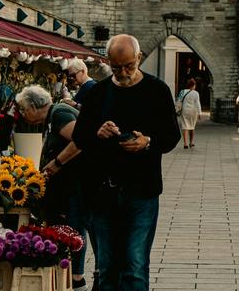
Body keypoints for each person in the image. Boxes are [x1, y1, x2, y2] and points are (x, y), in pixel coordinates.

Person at [72, 34, 180, 291]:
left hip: (142, 190)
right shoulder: (98, 93)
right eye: (116, 67)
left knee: (135, 264)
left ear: (139, 58)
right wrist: (98, 132)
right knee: (107, 266)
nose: (122, 72)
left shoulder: (157, 90)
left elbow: (171, 136)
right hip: (103, 191)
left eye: (128, 66)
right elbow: (79, 137)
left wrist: (148, 141)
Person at [18, 84, 90, 289]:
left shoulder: (59, 113)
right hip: (68, 185)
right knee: (69, 227)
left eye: (24, 109)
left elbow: (80, 140)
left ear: (34, 106)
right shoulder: (53, 116)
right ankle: (69, 277)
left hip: (75, 184)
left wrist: (57, 163)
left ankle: (77, 278)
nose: (23, 114)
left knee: (73, 228)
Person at [176, 78, 201, 149]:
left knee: (185, 126)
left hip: (185, 111)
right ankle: (191, 142)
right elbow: (197, 103)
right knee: (192, 127)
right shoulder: (196, 93)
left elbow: (178, 101)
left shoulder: (182, 92)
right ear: (193, 85)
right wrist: (199, 113)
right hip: (193, 112)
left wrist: (177, 109)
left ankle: (185, 143)